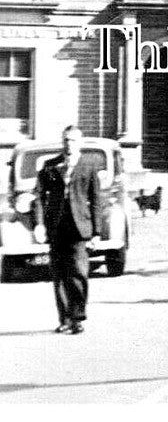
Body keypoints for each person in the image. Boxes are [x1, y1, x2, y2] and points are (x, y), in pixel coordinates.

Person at [33, 125, 102, 335]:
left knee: (79, 273)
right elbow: (38, 196)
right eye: (65, 140)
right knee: (60, 274)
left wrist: (97, 232)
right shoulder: (50, 166)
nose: (68, 144)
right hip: (56, 228)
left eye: (72, 140)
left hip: (80, 228)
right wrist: (39, 224)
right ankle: (64, 319)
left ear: (80, 142)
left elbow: (97, 199)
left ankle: (78, 317)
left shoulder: (89, 166)